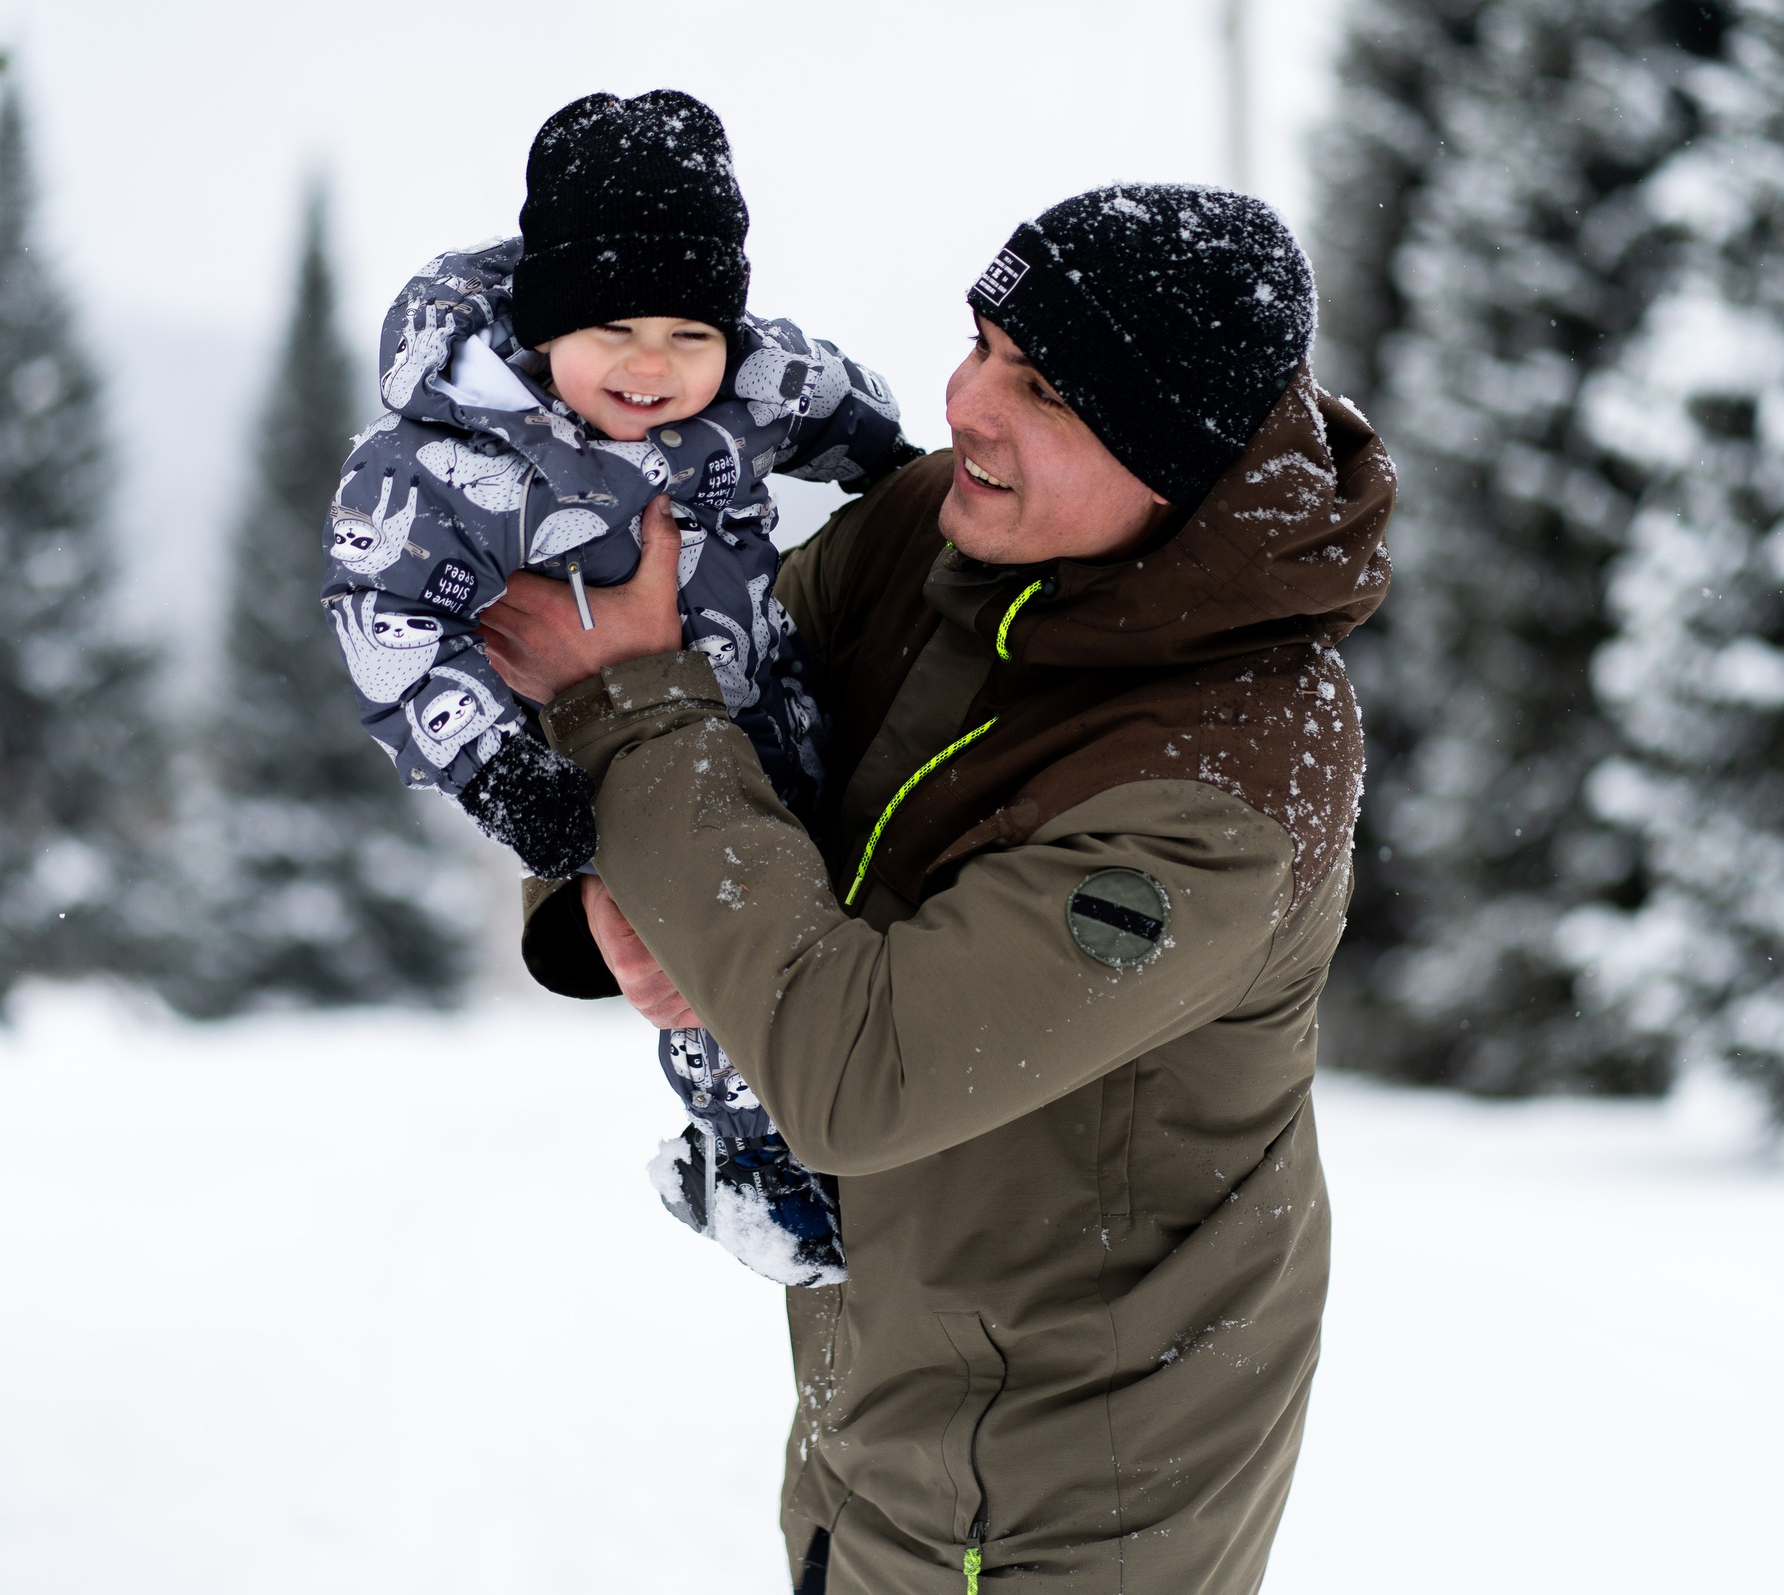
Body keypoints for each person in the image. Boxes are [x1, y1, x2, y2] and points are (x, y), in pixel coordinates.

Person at [483, 183, 1396, 1594]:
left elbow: (858, 1067)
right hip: (886, 1387)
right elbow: (699, 687)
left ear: (1173, 457)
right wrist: (603, 895)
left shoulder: (1224, 784)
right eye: (981, 343)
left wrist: (630, 714)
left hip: (1072, 1498)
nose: (966, 402)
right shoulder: (940, 531)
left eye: (1044, 389)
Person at [322, 89, 911, 1286]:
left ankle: (850, 1148)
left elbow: (829, 400)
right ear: (546, 327)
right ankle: (757, 1165)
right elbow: (387, 621)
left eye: (691, 334)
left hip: (775, 714)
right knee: (702, 969)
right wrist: (499, 772)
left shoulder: (744, 386)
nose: (653, 366)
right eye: (614, 331)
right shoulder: (447, 461)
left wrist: (895, 473)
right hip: (617, 774)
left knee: (830, 932)